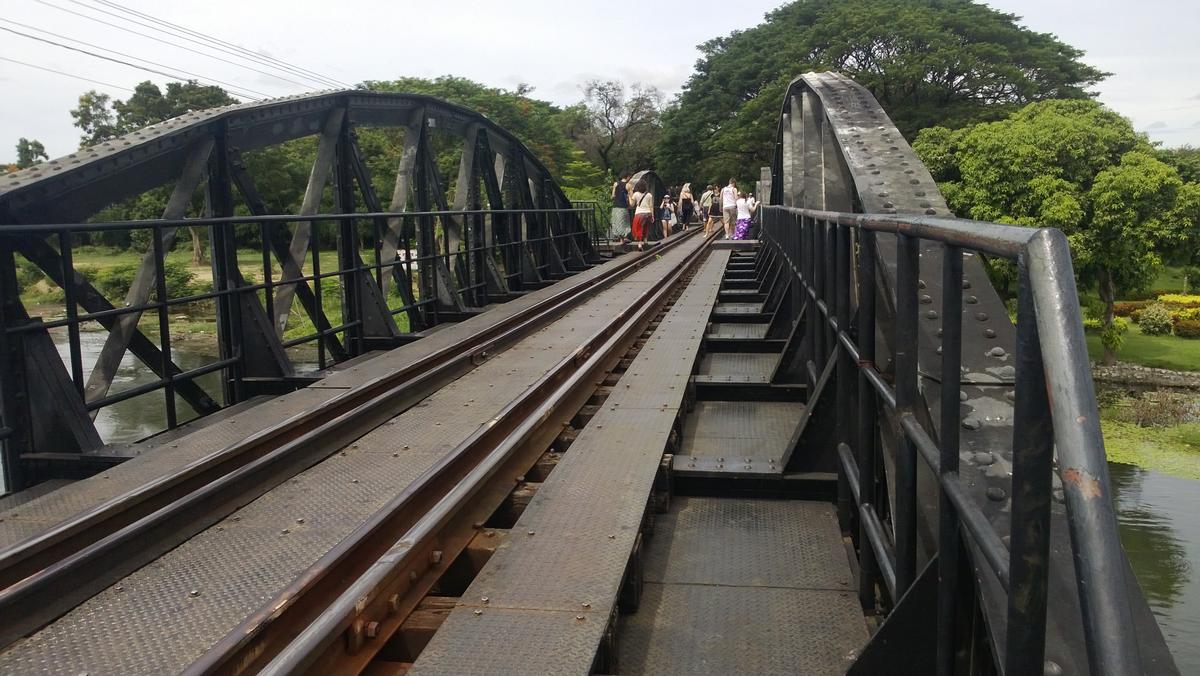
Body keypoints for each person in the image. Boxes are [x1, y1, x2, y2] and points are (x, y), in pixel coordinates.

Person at [631, 180, 654, 249]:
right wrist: (652, 215)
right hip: (648, 213)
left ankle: (640, 243)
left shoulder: (635, 194)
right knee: (645, 227)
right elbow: (651, 206)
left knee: (638, 228)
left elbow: (632, 204)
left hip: (639, 214)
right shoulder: (649, 195)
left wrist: (630, 196)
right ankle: (645, 240)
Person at [610, 172, 632, 242]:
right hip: (623, 207)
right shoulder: (628, 185)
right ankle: (624, 238)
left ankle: (620, 239)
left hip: (616, 206)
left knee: (617, 222)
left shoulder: (615, 184)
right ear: (628, 177)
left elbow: (613, 196)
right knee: (625, 222)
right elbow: (632, 197)